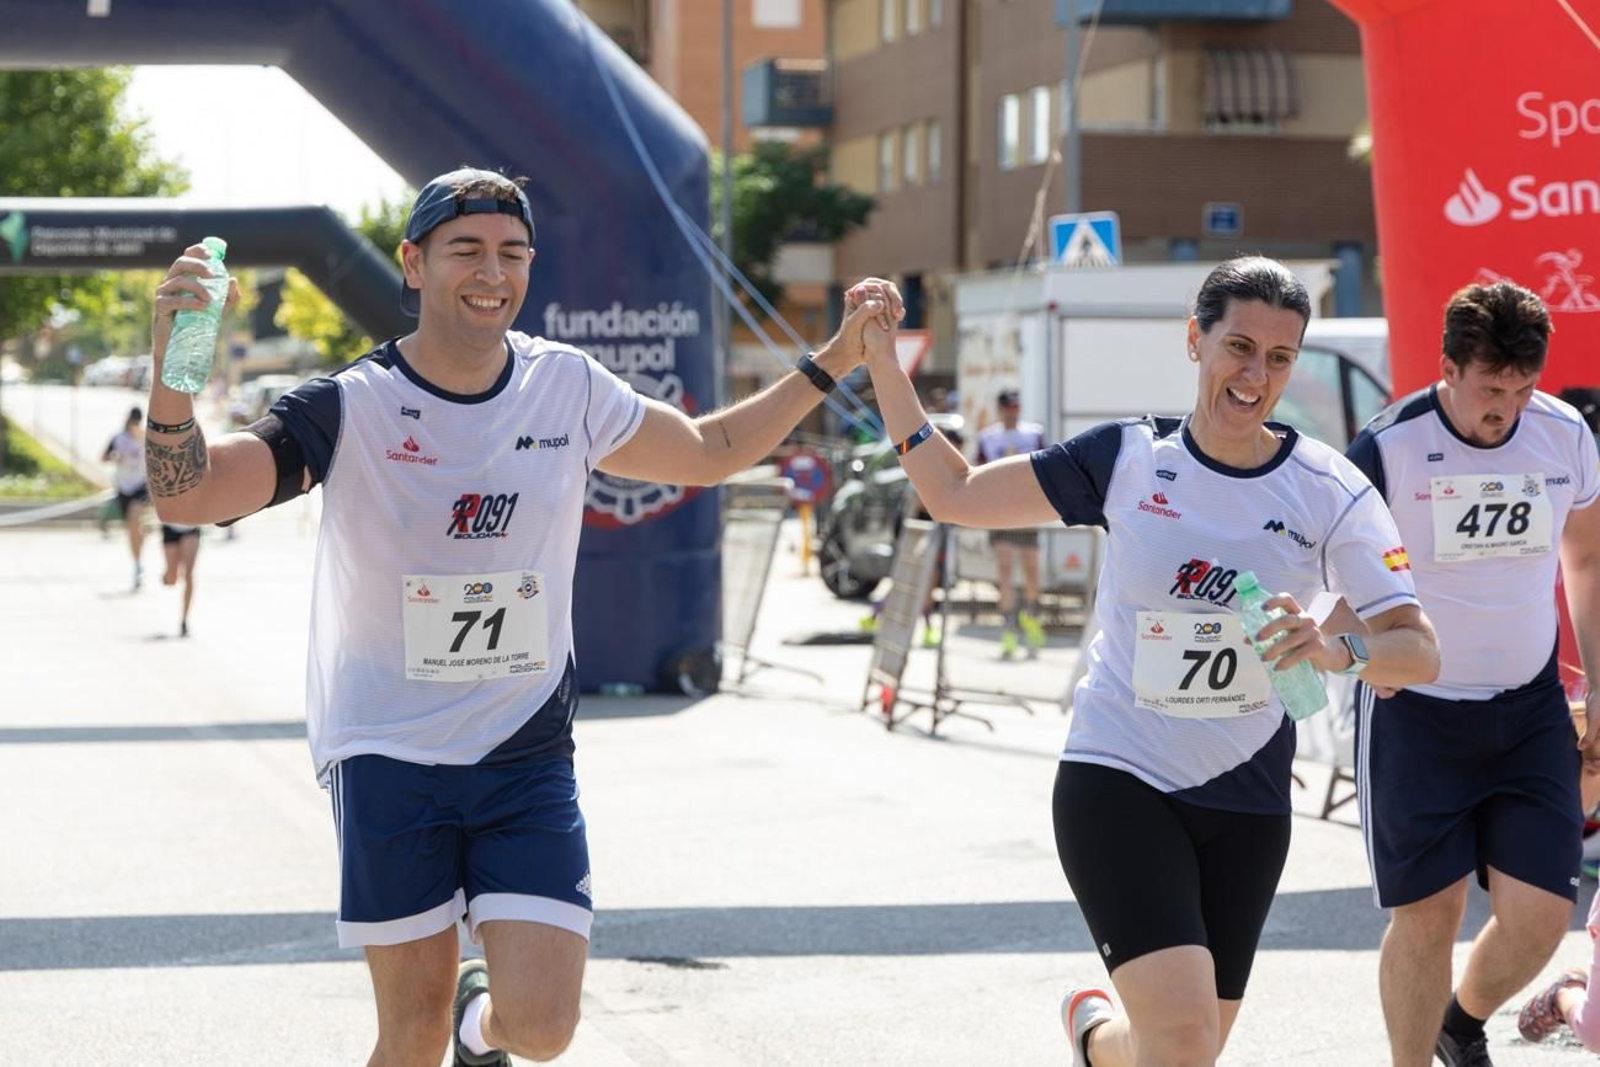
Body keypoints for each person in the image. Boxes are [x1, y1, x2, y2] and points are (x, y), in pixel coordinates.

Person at [142, 167, 886, 1067]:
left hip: (522, 748)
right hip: (388, 748)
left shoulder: (564, 386)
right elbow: (191, 494)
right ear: (413, 263)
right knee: (405, 1036)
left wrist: (832, 360)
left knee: (542, 1028)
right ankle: (445, 1024)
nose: (491, 271)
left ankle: (479, 1023)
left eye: (512, 253)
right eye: (466, 250)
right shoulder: (351, 405)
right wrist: (174, 372)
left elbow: (709, 449)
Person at [848, 257, 1440, 1067]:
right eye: (1238, 346)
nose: (1254, 374)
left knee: (1182, 1044)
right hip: (1117, 775)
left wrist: (1339, 648)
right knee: (1186, 1038)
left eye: (1278, 357)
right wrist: (884, 364)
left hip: (1247, 801)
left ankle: (1096, 1042)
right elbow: (954, 492)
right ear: (1193, 340)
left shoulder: (1329, 489)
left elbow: (1419, 649)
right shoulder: (1127, 458)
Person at [1343, 281, 1600, 1067]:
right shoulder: (1386, 446)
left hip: (1527, 708)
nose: (1507, 408)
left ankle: (1459, 1022)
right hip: (1417, 708)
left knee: (1540, 916)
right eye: (1491, 387)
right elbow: (1335, 577)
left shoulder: (1563, 435)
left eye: (1523, 387)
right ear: (1448, 367)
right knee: (1429, 912)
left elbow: (1586, 555)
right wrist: (1366, 652)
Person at [976, 388, 1048, 658]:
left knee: (1031, 570)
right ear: (1000, 409)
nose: (1011, 412)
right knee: (1005, 572)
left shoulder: (1033, 433)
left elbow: (1046, 467)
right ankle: (1008, 628)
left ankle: (1031, 617)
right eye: (1007, 408)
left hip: (1028, 511)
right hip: (1000, 511)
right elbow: (978, 472)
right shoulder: (988, 437)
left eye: (1015, 407)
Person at [103, 406, 149, 590]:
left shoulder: (144, 437)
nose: (134, 425)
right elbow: (104, 456)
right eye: (132, 421)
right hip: (123, 488)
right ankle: (137, 561)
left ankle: (138, 561)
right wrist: (116, 457)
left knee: (133, 521)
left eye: (137, 422)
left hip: (140, 486)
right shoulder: (118, 438)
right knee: (131, 530)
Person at [159, 522, 200, 637]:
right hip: (170, 527)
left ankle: (184, 620)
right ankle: (169, 574)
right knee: (172, 580)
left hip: (191, 528)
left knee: (189, 575)